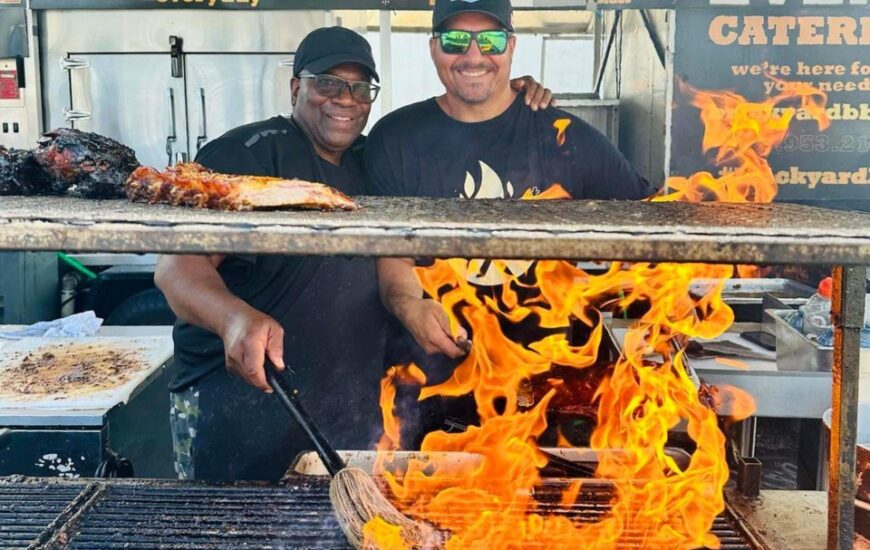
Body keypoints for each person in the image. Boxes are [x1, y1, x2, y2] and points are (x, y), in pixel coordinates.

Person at [155, 25, 555, 481]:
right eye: (327, 83)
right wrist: (234, 318)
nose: (345, 99)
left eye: (360, 88)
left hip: (341, 410)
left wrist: (511, 99)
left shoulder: (373, 161)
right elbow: (177, 269)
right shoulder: (246, 155)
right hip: (236, 403)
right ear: (295, 87)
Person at [364, 0, 655, 446]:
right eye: (457, 39)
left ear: (513, 46)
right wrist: (409, 306)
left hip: (548, 390)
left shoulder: (565, 135)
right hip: (433, 389)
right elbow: (391, 254)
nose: (475, 55)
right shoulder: (396, 139)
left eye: (492, 39)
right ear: (433, 48)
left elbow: (650, 224)